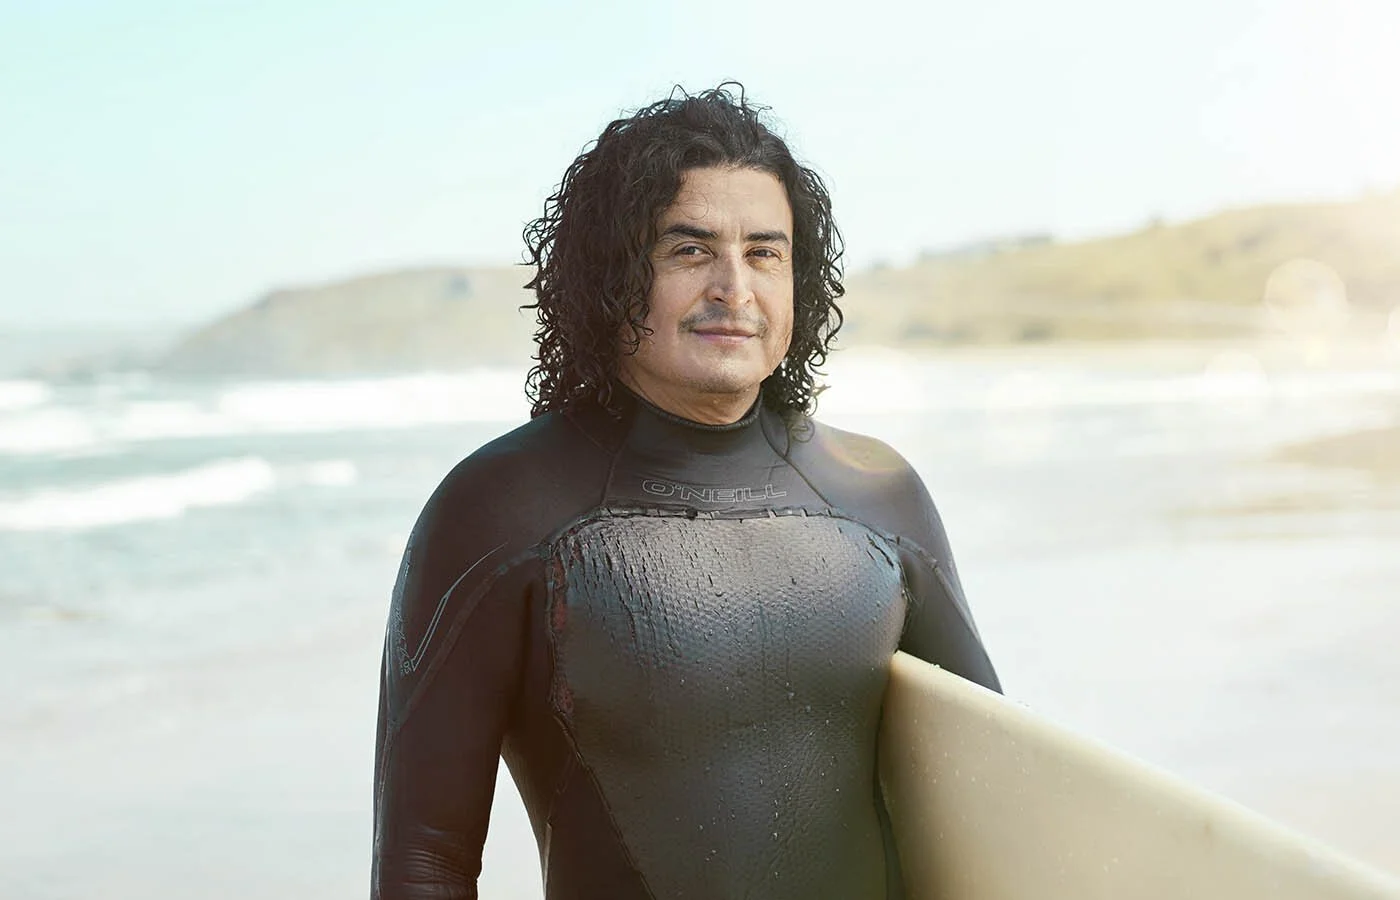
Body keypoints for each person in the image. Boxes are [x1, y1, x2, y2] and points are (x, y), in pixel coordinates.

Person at [371, 84, 1000, 900]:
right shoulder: (502, 509)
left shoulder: (879, 494)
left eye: (765, 253)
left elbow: (993, 791)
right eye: (691, 250)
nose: (734, 288)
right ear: (613, 274)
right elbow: (425, 859)